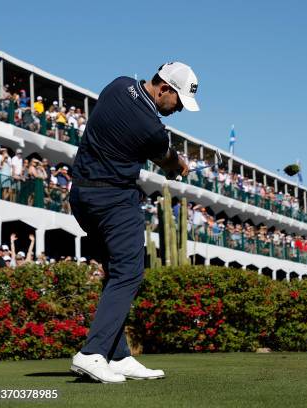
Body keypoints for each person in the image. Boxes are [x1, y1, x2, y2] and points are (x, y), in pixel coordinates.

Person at [69, 62, 199, 383]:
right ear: (165, 88)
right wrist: (180, 166)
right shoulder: (152, 128)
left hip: (82, 196)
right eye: (178, 102)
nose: (178, 109)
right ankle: (92, 352)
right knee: (129, 273)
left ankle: (118, 355)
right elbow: (167, 159)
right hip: (114, 200)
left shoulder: (118, 84)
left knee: (115, 275)